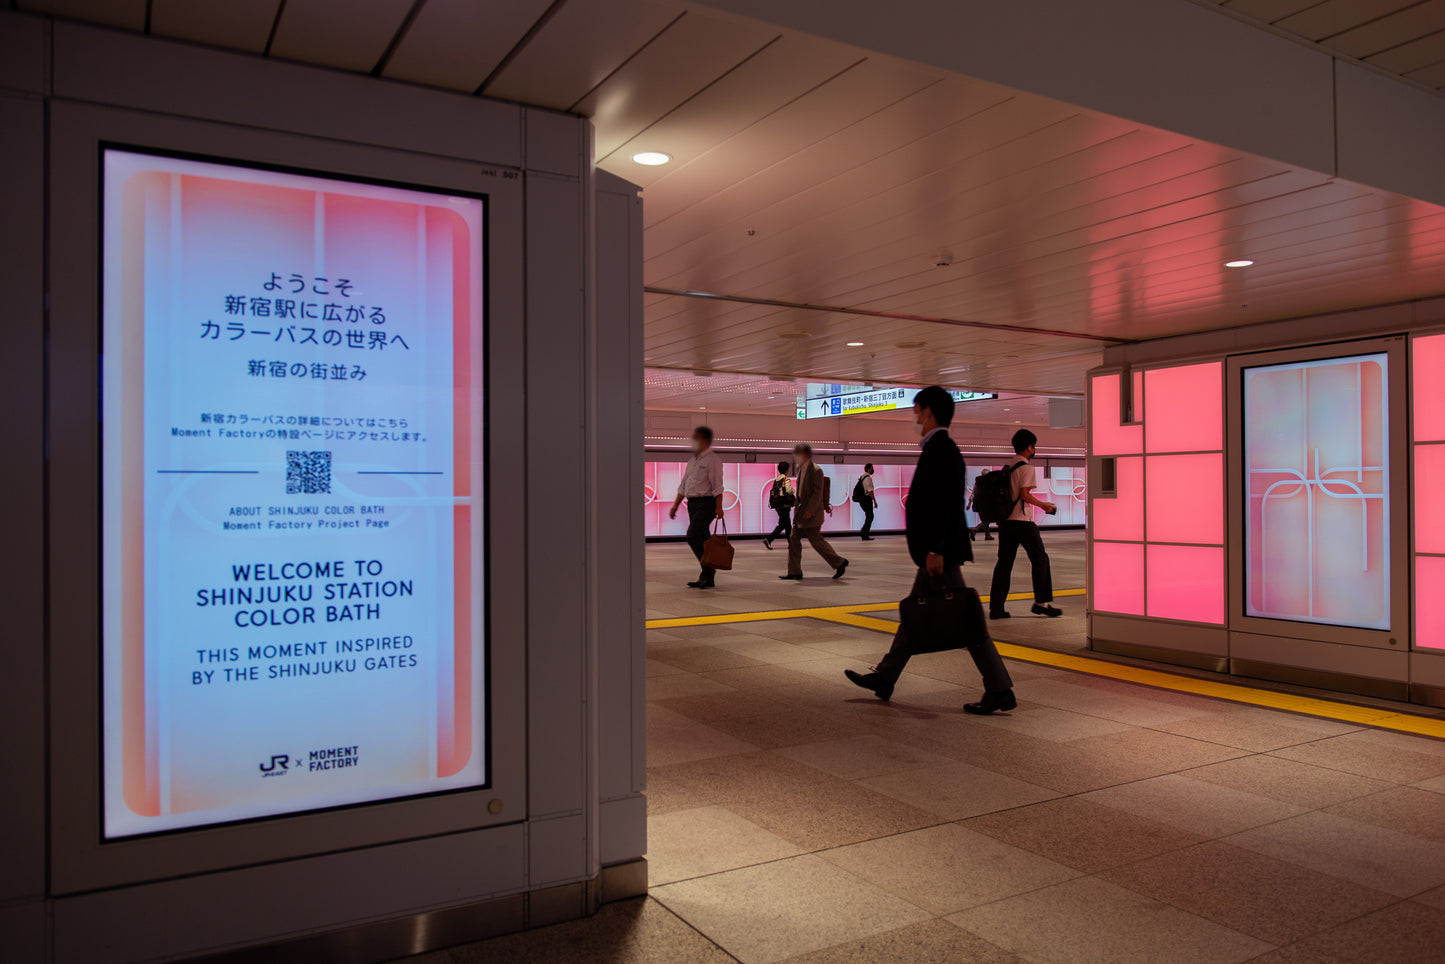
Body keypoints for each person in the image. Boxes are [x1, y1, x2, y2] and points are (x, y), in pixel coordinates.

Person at [844, 387, 1015, 713]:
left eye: (918, 410)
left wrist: (935, 550)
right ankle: (886, 676)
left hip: (939, 553)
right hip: (936, 551)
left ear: (930, 412)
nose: (915, 417)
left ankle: (999, 687)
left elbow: (945, 504)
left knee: (965, 621)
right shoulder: (940, 448)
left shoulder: (942, 449)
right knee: (917, 611)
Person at [988, 429, 1062, 619]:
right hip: (1022, 521)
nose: (1034, 449)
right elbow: (1025, 495)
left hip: (1005, 522)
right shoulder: (1027, 467)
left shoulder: (1008, 466)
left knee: (1004, 564)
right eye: (1033, 446)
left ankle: (996, 608)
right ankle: (1041, 603)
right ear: (1029, 447)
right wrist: (1044, 505)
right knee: (1040, 559)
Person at [780, 443, 849, 581]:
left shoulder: (816, 470)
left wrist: (810, 511)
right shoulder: (801, 469)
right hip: (800, 513)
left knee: (816, 541)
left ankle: (839, 562)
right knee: (793, 540)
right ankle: (794, 572)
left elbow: (817, 493)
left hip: (811, 514)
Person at [668, 426, 724, 589]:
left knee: (692, 535)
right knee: (704, 538)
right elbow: (684, 485)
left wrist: (719, 508)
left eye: (696, 438)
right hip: (692, 504)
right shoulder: (692, 461)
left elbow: (718, 486)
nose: (693, 441)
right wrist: (675, 505)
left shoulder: (713, 460)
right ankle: (707, 576)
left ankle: (709, 570)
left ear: (705, 440)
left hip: (707, 503)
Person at [763, 460, 794, 550]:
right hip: (784, 505)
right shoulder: (786, 479)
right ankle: (769, 539)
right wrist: (793, 490)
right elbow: (788, 490)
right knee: (784, 525)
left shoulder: (776, 480)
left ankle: (791, 544)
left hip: (778, 505)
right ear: (787, 470)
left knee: (785, 525)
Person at [854, 463, 878, 540]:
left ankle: (864, 532)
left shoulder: (862, 477)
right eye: (871, 468)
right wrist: (874, 501)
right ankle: (864, 533)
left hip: (862, 500)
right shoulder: (868, 478)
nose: (872, 469)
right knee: (870, 516)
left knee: (869, 516)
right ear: (868, 469)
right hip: (866, 499)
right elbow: (870, 491)